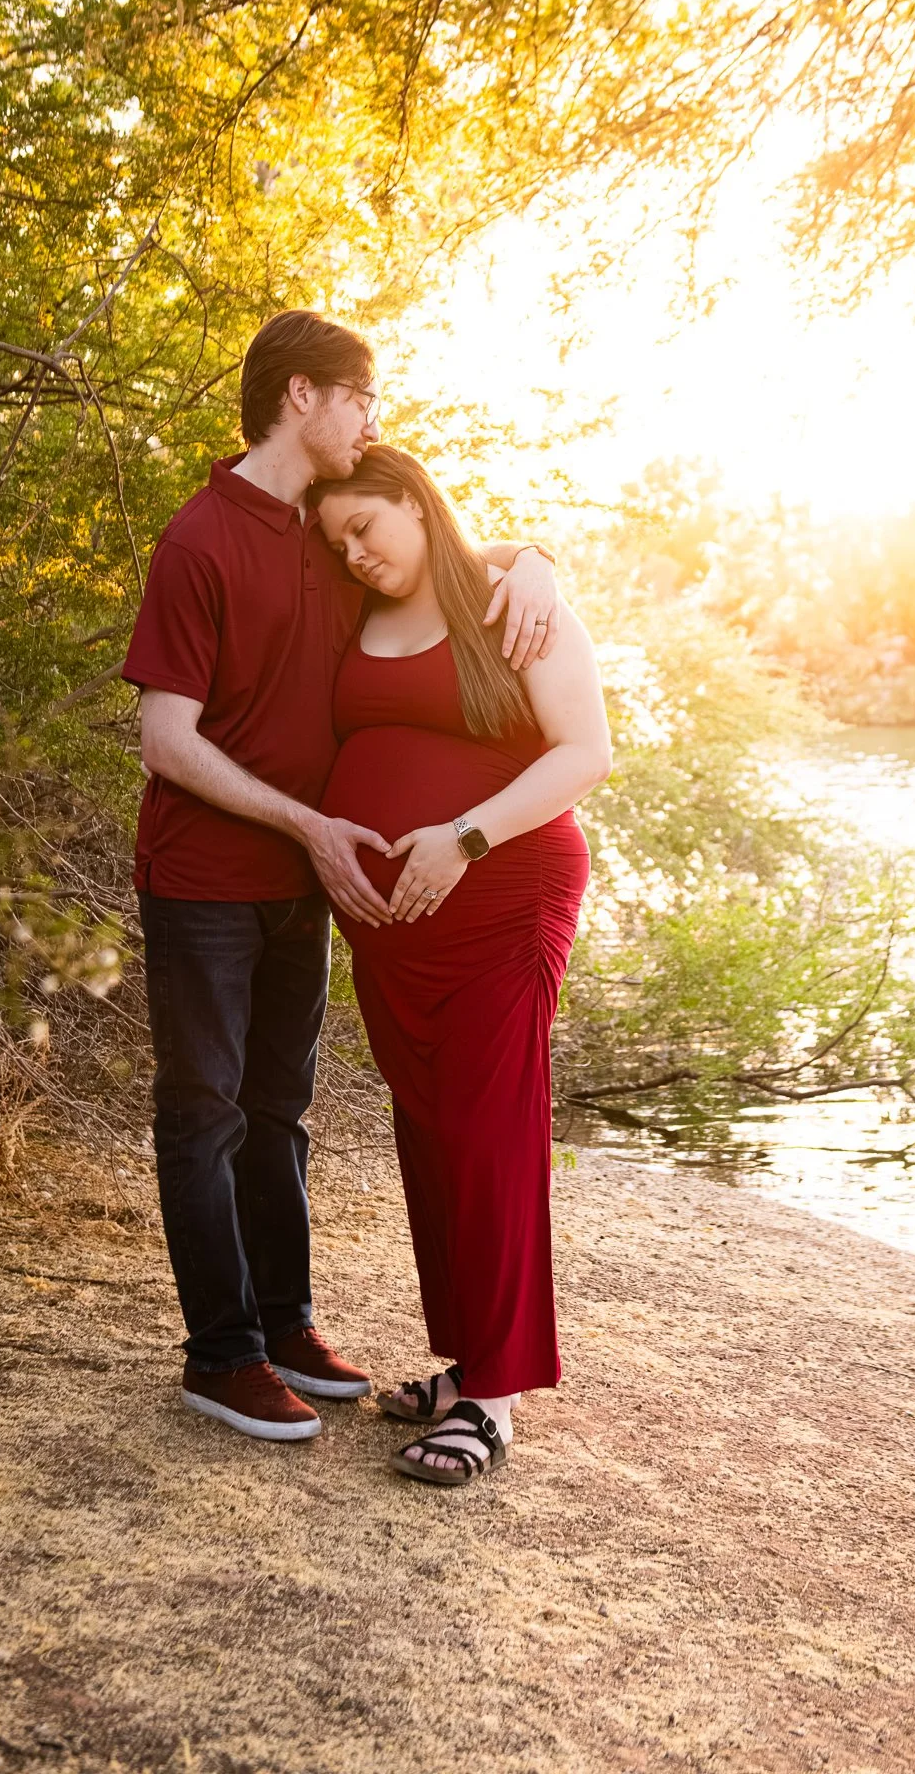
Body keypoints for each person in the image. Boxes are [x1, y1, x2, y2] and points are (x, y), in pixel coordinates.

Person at [121, 312, 559, 1444]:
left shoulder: (329, 529)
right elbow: (164, 737)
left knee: (280, 1109)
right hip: (208, 879)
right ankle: (222, 1356)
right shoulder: (197, 542)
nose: (371, 419)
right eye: (360, 396)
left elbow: (440, 552)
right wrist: (308, 823)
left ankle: (286, 1324)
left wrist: (536, 561)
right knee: (206, 1112)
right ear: (303, 394)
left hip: (310, 888)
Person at [312, 446, 612, 1485]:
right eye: (337, 542)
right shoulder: (358, 610)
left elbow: (585, 752)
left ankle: (494, 1401)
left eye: (364, 527)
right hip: (398, 927)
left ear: (413, 499)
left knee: (490, 1134)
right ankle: (467, 1362)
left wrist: (464, 836)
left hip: (503, 895)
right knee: (433, 1132)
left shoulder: (512, 604)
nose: (354, 554)